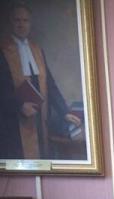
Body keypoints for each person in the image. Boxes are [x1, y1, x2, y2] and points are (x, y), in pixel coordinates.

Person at [0, 2, 81, 159]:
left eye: (25, 20)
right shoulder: (3, 51)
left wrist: (64, 111)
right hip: (14, 122)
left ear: (30, 23)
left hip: (39, 119)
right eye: (17, 20)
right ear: (11, 22)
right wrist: (19, 106)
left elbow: (49, 84)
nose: (21, 24)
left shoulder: (37, 50)